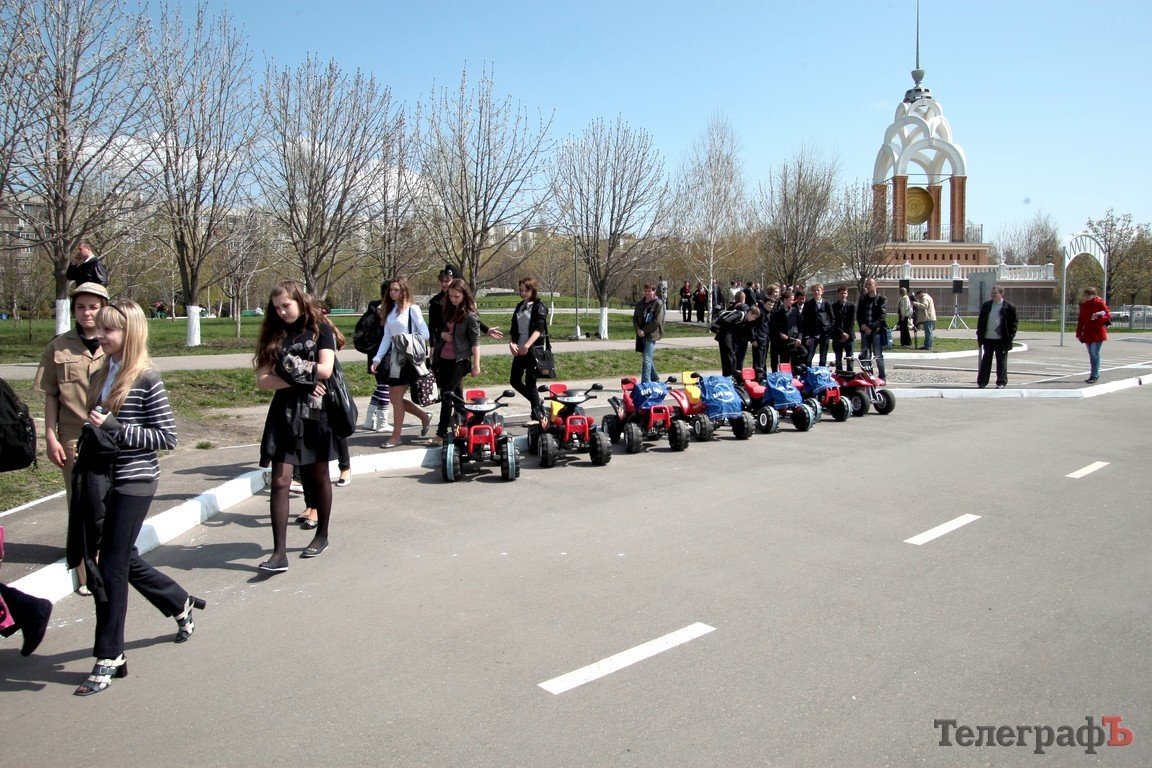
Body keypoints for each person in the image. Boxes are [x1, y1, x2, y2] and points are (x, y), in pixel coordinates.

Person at [73, 299, 201, 696]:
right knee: (121, 556)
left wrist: (114, 426)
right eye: (101, 328)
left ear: (131, 334)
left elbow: (167, 438)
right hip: (101, 478)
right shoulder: (102, 371)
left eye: (110, 329)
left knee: (110, 563)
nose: (100, 334)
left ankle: (110, 654)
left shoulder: (146, 377)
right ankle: (179, 601)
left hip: (134, 481)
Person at [255, 280, 337, 572]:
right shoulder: (273, 333)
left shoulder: (319, 329)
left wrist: (294, 376)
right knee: (280, 479)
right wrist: (302, 381)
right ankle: (279, 554)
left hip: (316, 413)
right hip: (285, 413)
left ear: (300, 302)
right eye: (276, 308)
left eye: (285, 306)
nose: (281, 312)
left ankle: (322, 534)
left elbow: (326, 369)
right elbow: (263, 380)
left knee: (318, 476)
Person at [33, 281, 109, 596]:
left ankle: (109, 564)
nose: (87, 312)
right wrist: (50, 436)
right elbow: (51, 395)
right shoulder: (59, 347)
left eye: (93, 306)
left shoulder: (116, 342)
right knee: (79, 505)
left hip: (110, 437)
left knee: (108, 503)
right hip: (74, 439)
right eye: (80, 307)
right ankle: (84, 570)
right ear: (73, 309)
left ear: (104, 307)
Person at [370, 277, 433, 448]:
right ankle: (424, 416)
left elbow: (425, 334)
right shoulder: (391, 311)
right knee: (394, 398)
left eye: (396, 290)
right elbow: (386, 338)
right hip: (396, 358)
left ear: (404, 290)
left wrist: (406, 340)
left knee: (395, 397)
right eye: (391, 290)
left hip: (411, 358)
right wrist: (377, 359)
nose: (392, 293)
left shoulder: (413, 309)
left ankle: (396, 437)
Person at [430, 278, 482, 445]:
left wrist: (476, 365)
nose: (453, 299)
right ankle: (463, 424)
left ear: (464, 295)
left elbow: (475, 341)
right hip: (443, 358)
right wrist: (442, 335)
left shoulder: (470, 315)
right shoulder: (449, 309)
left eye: (456, 296)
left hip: (460, 360)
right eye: (451, 296)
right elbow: (440, 330)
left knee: (447, 395)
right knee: (457, 394)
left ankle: (440, 433)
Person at [507, 277, 549, 425]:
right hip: (519, 349)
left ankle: (535, 417)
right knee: (514, 380)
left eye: (526, 290)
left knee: (531, 384)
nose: (523, 293)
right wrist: (511, 344)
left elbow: (539, 329)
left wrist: (527, 345)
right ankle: (536, 401)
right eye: (521, 290)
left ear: (533, 290)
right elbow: (513, 329)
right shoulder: (520, 306)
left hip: (532, 350)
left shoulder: (539, 307)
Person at [359, 282, 391, 434]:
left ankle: (369, 419)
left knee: (381, 387)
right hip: (382, 354)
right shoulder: (382, 311)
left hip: (374, 354)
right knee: (385, 386)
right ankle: (382, 421)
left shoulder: (373, 309)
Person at [976, 285, 1018, 389]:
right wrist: (980, 334)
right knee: (986, 361)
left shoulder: (1009, 307)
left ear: (1001, 294)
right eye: (992, 293)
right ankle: (982, 382)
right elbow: (981, 321)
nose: (993, 295)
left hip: (1002, 340)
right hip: (988, 338)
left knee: (1001, 362)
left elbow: (1014, 323)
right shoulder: (987, 306)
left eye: (995, 293)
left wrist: (1010, 336)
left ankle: (1001, 382)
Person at [713, 304, 761, 379]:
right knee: (730, 359)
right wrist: (731, 331)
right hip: (725, 338)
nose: (754, 319)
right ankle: (729, 377)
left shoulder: (745, 320)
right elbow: (726, 320)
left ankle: (729, 377)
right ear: (750, 313)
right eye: (754, 317)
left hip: (729, 339)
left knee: (731, 359)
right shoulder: (740, 314)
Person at [1075, 287, 1110, 384]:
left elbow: (1107, 315)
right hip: (1087, 332)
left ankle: (1094, 375)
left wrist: (1098, 317)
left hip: (1097, 332)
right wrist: (1079, 333)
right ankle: (1094, 374)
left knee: (1095, 354)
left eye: (1089, 295)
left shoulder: (1099, 302)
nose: (1086, 297)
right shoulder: (1084, 305)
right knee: (1091, 354)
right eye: (1086, 295)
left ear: (1094, 295)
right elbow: (1081, 320)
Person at [633, 282, 665, 383]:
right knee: (647, 358)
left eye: (649, 291)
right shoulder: (639, 303)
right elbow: (634, 319)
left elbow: (657, 321)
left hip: (651, 334)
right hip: (640, 334)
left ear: (654, 291)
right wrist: (638, 329)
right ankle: (655, 379)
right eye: (645, 291)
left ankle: (645, 383)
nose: (647, 293)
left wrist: (644, 330)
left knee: (646, 359)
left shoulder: (658, 303)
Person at [856, 278, 888, 378]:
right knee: (865, 354)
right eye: (867, 284)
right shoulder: (863, 299)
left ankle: (882, 376)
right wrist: (862, 324)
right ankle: (869, 375)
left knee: (878, 354)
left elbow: (882, 316)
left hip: (876, 331)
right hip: (865, 330)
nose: (868, 286)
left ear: (875, 285)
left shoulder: (881, 298)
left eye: (870, 284)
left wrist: (871, 327)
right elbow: (859, 314)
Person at [801, 283, 834, 366]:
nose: (816, 292)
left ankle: (822, 374)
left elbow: (832, 318)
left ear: (822, 291)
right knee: (809, 355)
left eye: (818, 290)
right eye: (814, 290)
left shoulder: (827, 303)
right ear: (812, 292)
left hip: (824, 333)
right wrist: (807, 336)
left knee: (823, 356)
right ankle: (807, 374)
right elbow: (805, 321)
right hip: (812, 334)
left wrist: (829, 329)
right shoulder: (808, 304)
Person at [830, 286, 856, 371]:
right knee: (838, 356)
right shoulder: (833, 306)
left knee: (849, 357)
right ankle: (839, 373)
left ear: (847, 294)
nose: (843, 295)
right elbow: (834, 322)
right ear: (838, 294)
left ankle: (850, 373)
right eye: (841, 293)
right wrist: (841, 333)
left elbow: (852, 322)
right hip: (838, 335)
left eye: (844, 293)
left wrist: (846, 334)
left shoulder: (852, 306)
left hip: (849, 336)